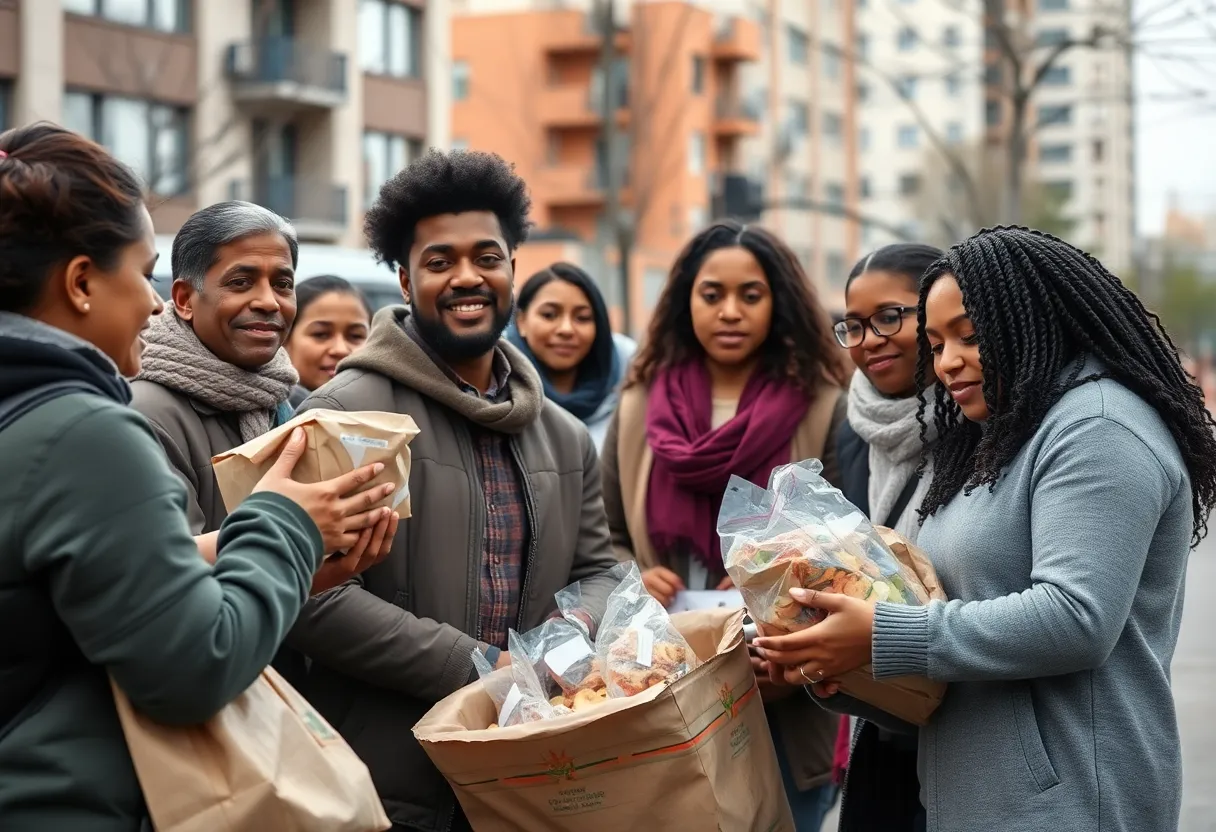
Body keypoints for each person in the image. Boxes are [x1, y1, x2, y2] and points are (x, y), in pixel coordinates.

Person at [755, 227, 1216, 832]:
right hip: (972, 796)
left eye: (970, 336)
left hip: (1072, 800)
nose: (946, 362)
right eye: (937, 340)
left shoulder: (1098, 428)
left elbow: (1076, 619)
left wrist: (882, 635)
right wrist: (834, 661)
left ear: (1034, 320)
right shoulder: (994, 434)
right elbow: (956, 647)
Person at [0, 124, 393, 828]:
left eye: (282, 282)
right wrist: (282, 523)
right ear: (82, 281)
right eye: (142, 273)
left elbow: (79, 585)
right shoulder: (85, 432)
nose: (151, 306)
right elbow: (193, 666)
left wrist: (272, 553)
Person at [286, 149, 620, 832]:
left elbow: (599, 570)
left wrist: (566, 639)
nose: (467, 277)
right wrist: (483, 668)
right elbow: (310, 596)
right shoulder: (344, 413)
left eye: (486, 257)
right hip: (386, 785)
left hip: (529, 774)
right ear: (405, 280)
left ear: (511, 270)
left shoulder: (563, 435)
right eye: (440, 262)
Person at [599, 220, 852, 831]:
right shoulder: (638, 406)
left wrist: (776, 611)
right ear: (686, 301)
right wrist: (632, 577)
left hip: (782, 688)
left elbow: (849, 545)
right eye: (712, 295)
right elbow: (601, 535)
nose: (730, 311)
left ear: (779, 302)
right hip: (663, 687)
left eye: (751, 295)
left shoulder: (823, 404)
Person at [131, 202, 394, 595]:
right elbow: (157, 580)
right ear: (185, 300)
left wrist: (327, 570)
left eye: (283, 284)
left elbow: (287, 586)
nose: (269, 302)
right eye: (241, 282)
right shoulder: (146, 414)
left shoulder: (293, 403)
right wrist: (287, 526)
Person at [831, 243, 943, 832]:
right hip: (880, 732)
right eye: (853, 325)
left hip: (970, 735)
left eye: (890, 317)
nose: (871, 338)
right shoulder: (851, 432)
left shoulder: (984, 428)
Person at [506, 261, 636, 449]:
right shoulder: (495, 399)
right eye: (549, 315)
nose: (566, 329)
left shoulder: (632, 394)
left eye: (582, 318)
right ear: (522, 321)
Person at [285, 274, 372, 409]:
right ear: (285, 341)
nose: (340, 349)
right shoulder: (269, 418)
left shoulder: (393, 414)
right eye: (321, 334)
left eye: (355, 336)